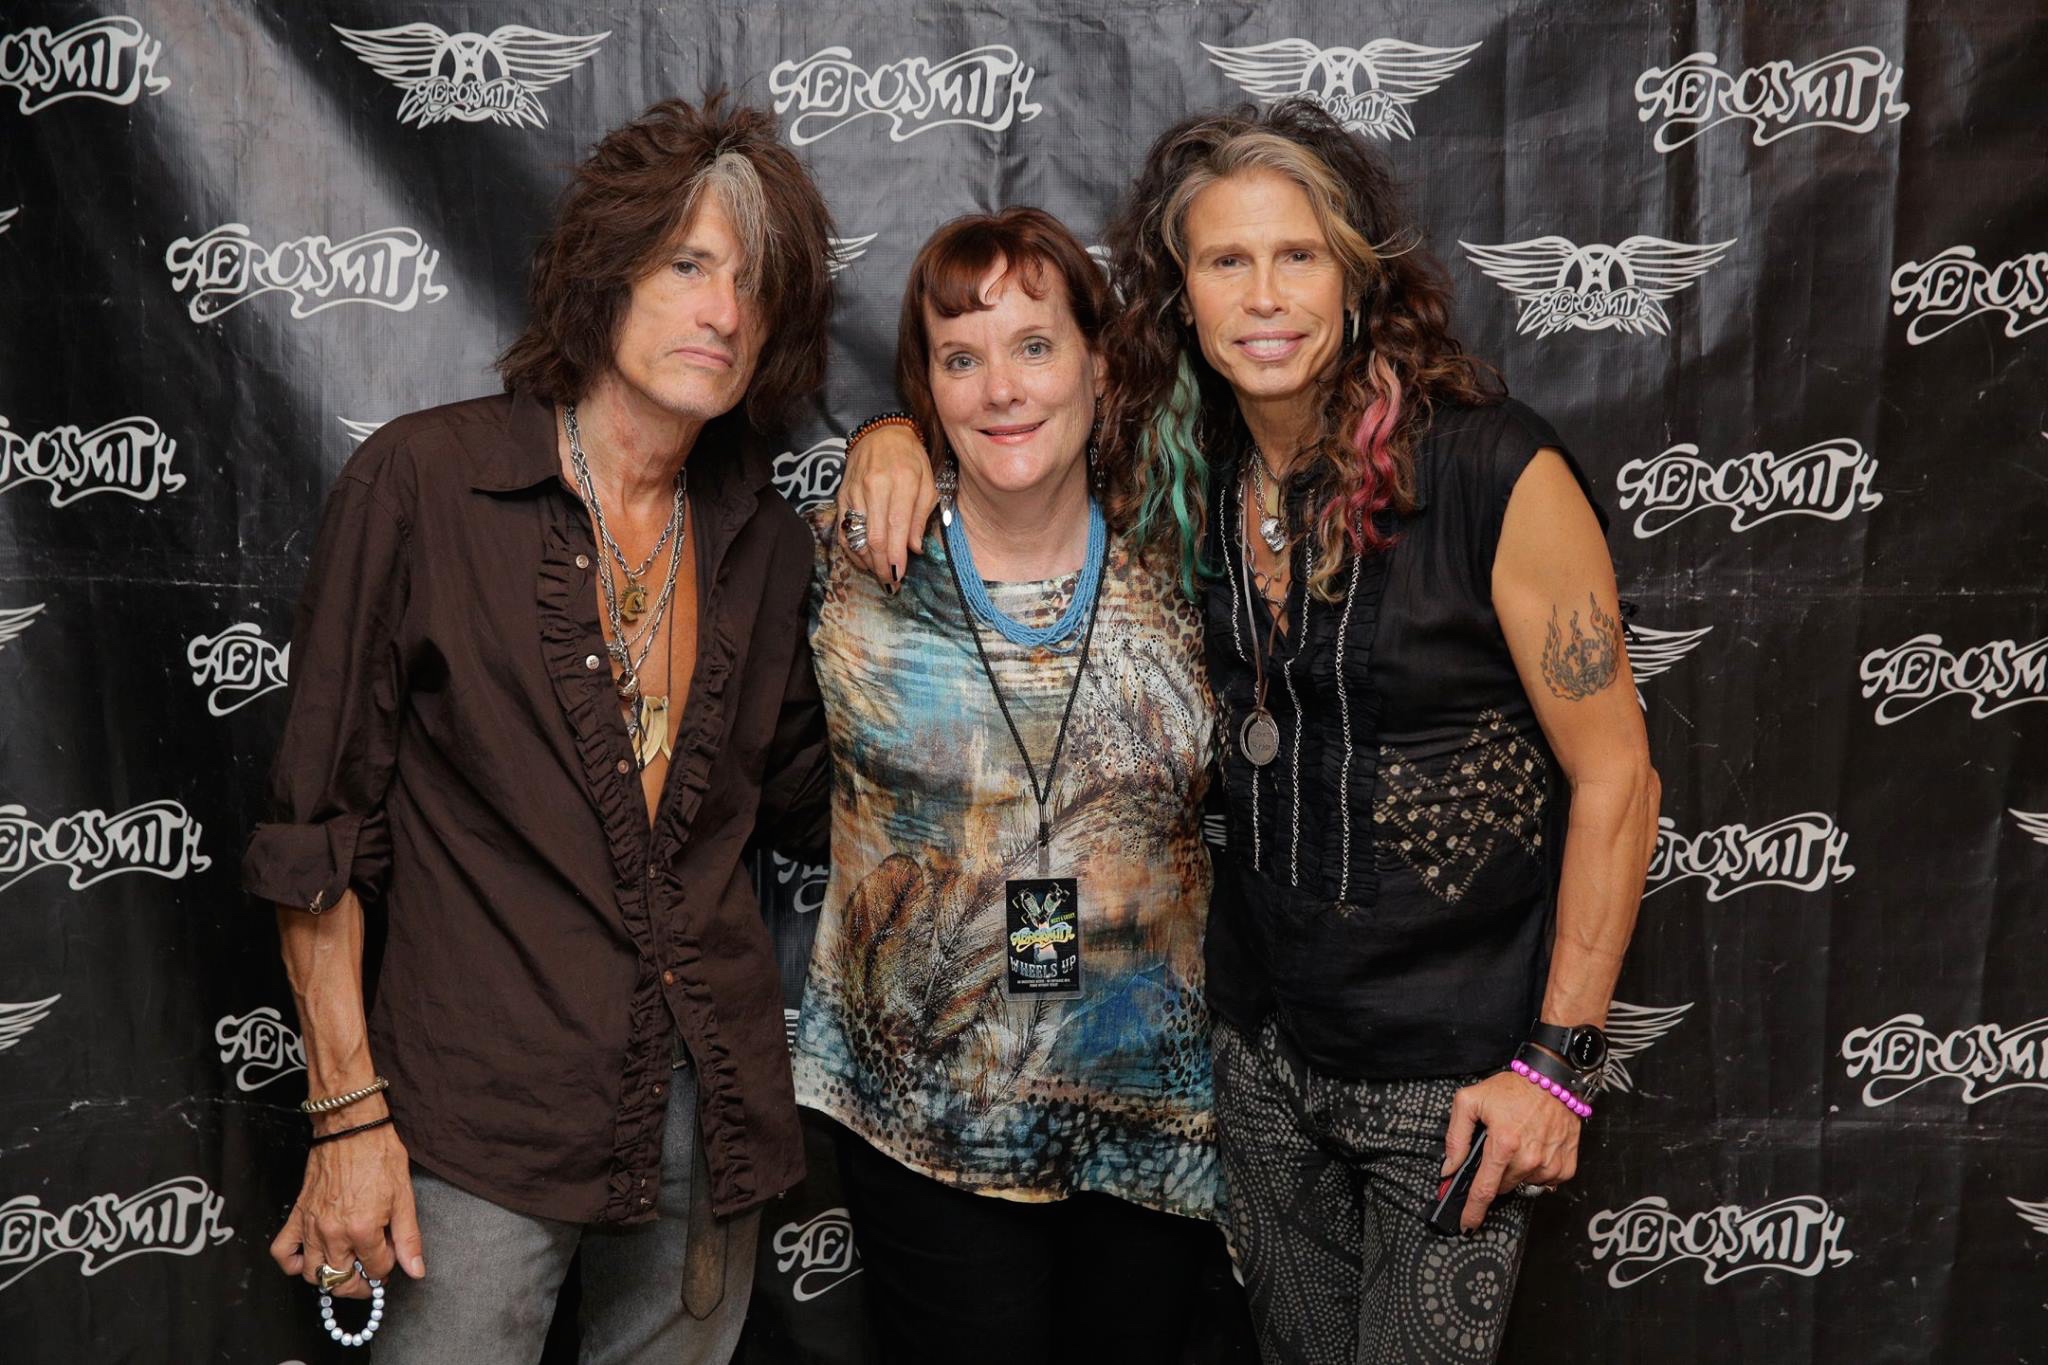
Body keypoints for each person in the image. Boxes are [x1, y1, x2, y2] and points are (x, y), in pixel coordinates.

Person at [836, 99, 1661, 1365]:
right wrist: (886, 432)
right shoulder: (1192, 473)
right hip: (1257, 1068)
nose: (1263, 296)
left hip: (1449, 1080)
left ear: (1355, 277)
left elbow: (1616, 776)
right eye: (1226, 260)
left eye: (1296, 256)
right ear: (1182, 296)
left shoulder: (1495, 473)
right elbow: (1008, 431)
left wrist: (1555, 1064)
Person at [241, 93, 837, 1365]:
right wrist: (346, 1119)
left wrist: (904, 444)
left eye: (754, 285)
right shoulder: (425, 485)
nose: (723, 313)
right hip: (479, 1121)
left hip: (706, 1118)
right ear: (605, 274)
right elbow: (315, 836)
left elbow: (822, 803)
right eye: (687, 266)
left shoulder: (768, 543)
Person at [791, 207, 1227, 1363]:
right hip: (926, 1128)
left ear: (1098, 363)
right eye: (959, 359)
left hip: (1149, 1120)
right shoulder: (851, 562)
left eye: (1034, 346)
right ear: (926, 390)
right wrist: (876, 433)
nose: (1000, 389)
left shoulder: (1185, 553)